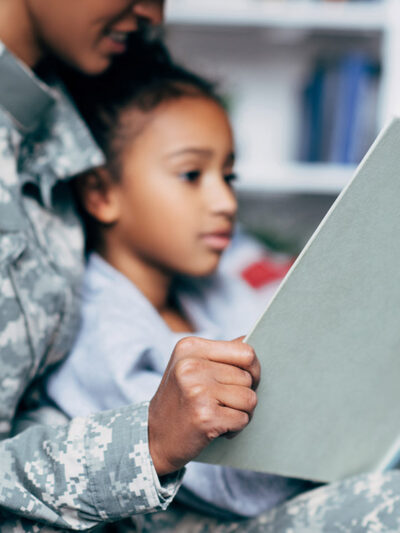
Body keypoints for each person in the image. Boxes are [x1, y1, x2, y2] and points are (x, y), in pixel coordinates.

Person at [46, 35, 400, 533]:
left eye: (228, 177)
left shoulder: (212, 289)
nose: (225, 202)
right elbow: (226, 483)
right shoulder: (100, 335)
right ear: (102, 193)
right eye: (192, 174)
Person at [0, 1, 260, 529]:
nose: (153, 15)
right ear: (101, 193)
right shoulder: (110, 319)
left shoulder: (66, 119)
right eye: (191, 174)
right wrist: (147, 440)